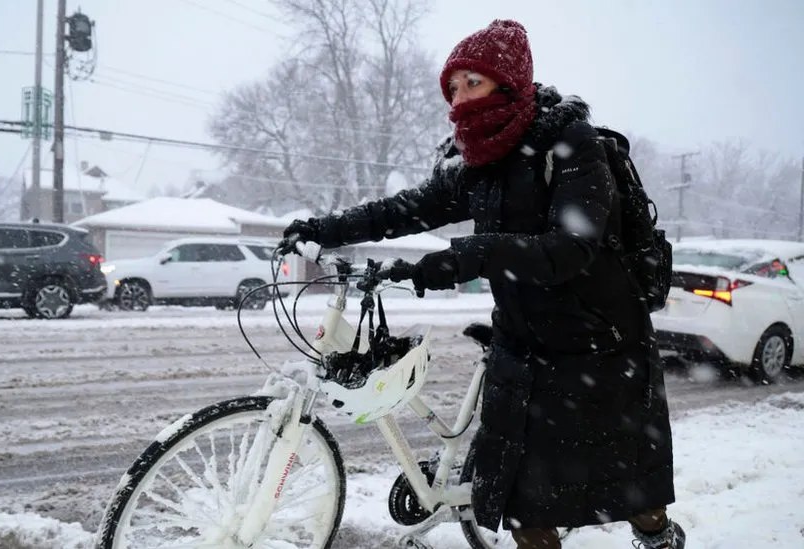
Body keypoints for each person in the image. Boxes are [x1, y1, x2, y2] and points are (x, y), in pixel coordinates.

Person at [278, 19, 684, 549]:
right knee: (523, 507)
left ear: (510, 82)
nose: (461, 98)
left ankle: (658, 535)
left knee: (633, 493)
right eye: (453, 87)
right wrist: (323, 229)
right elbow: (408, 209)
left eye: (474, 82)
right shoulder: (477, 155)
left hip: (598, 345)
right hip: (522, 342)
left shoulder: (572, 145)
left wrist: (469, 256)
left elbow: (572, 247)